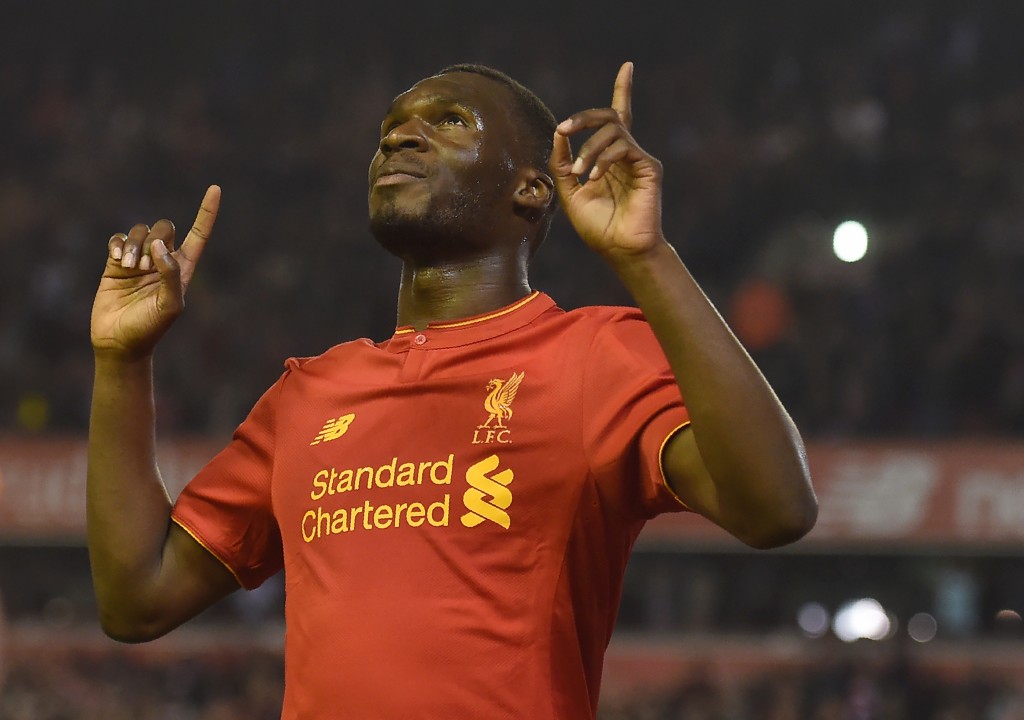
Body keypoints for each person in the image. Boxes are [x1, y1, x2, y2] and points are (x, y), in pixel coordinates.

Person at [88, 62, 817, 719]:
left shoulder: (594, 356)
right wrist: (122, 361)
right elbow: (136, 601)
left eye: (449, 123)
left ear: (531, 189)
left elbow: (776, 509)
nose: (402, 139)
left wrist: (646, 257)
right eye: (389, 132)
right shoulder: (310, 394)